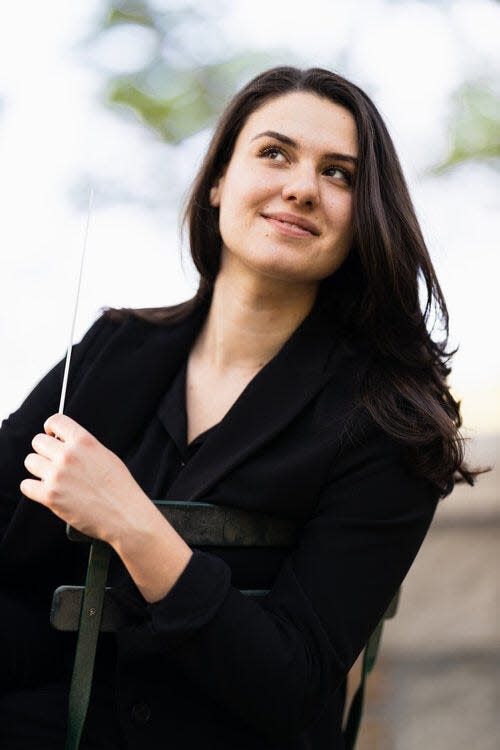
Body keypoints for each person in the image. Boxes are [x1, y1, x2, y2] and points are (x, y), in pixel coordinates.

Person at [0, 66, 476, 749]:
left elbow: (290, 681)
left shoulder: (389, 419)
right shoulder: (116, 348)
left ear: (362, 216)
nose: (302, 187)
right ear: (218, 181)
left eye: (339, 173)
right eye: (275, 152)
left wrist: (134, 526)